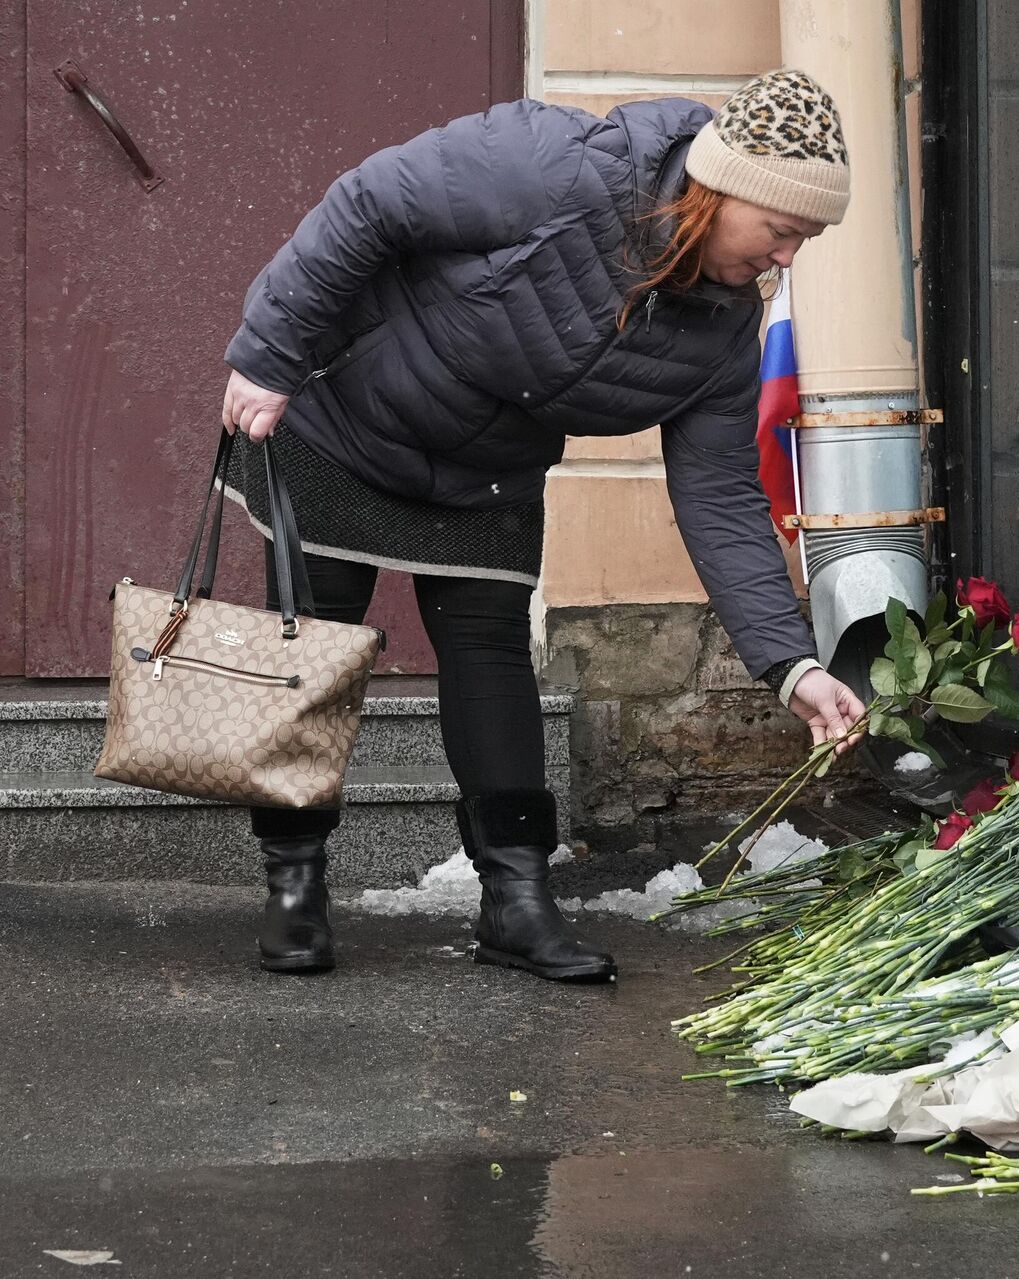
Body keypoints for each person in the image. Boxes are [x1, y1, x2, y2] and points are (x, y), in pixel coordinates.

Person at [219, 69, 867, 982]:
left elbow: (720, 495)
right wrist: (270, 353)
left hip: (488, 466)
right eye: (785, 231)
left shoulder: (722, 328)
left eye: (807, 240)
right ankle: (294, 885)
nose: (789, 259)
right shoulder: (557, 170)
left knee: (489, 656)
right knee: (309, 649)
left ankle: (516, 899)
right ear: (726, 193)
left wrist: (790, 664)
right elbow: (370, 204)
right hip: (346, 422)